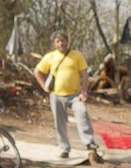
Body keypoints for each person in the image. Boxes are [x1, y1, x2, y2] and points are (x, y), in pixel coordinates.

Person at [36, 31, 100, 160]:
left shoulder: (77, 55)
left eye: (63, 40)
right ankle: (64, 148)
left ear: (67, 41)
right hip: (56, 95)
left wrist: (83, 91)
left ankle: (88, 142)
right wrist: (44, 87)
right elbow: (37, 71)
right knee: (59, 123)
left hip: (75, 95)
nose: (61, 43)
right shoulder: (50, 56)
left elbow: (85, 75)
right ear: (54, 43)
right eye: (58, 41)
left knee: (82, 113)